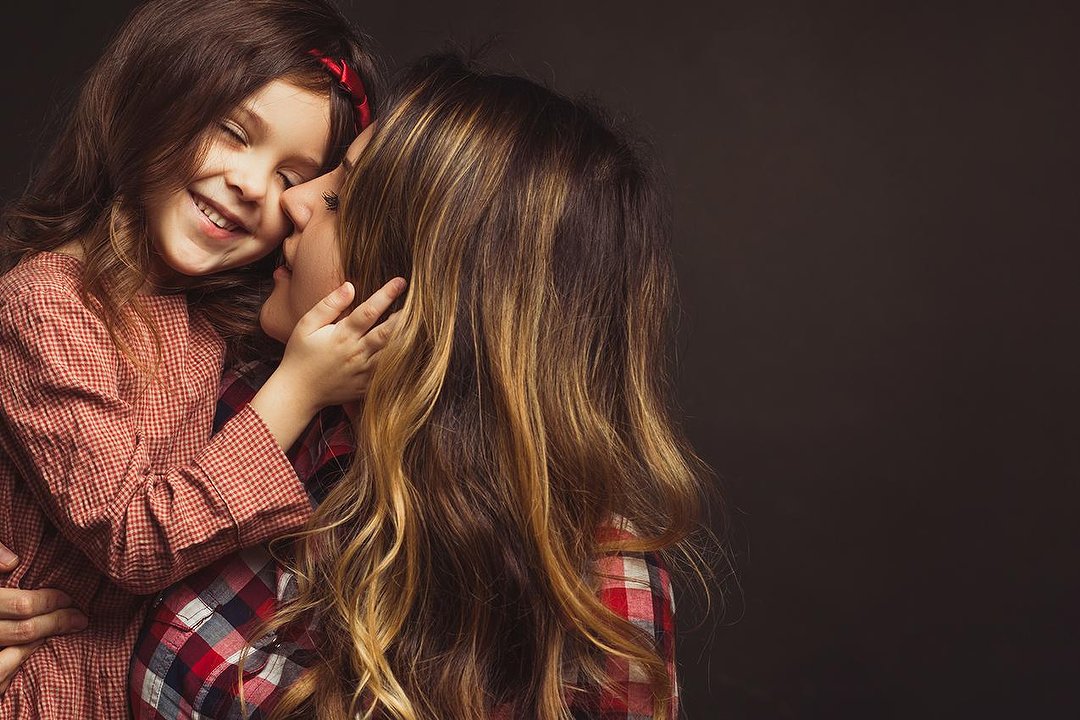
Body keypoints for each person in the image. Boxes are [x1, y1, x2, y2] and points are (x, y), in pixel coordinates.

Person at [131, 54, 704, 720]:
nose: (293, 199)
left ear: (436, 295)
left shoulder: (593, 596)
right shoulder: (229, 391)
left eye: (341, 200)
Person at [0, 0, 397, 716]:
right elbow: (135, 539)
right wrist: (298, 388)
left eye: (291, 177)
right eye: (235, 134)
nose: (252, 185)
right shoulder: (45, 308)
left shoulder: (220, 321)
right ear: (154, 99)